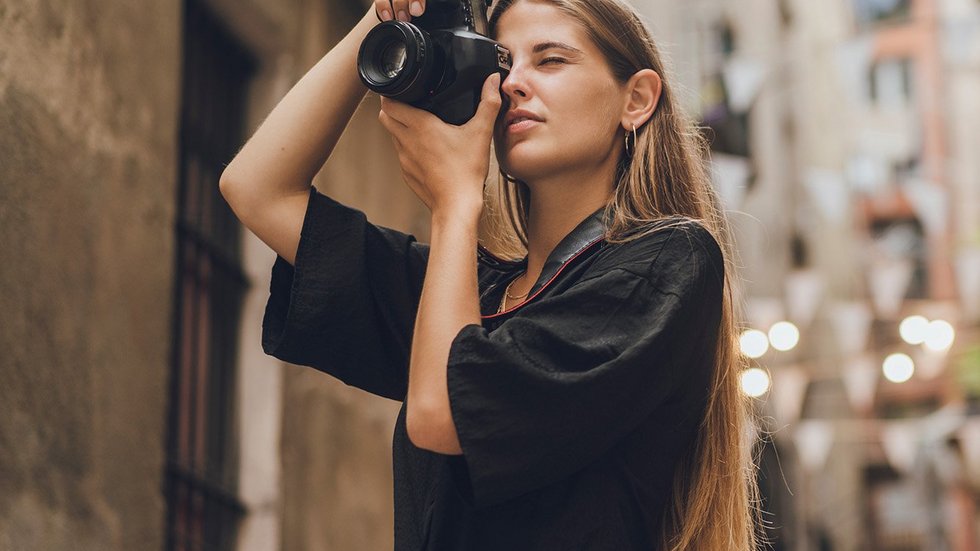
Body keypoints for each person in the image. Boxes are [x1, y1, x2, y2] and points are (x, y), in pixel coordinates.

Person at [220, 0, 763, 549]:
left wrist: (455, 202)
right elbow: (257, 189)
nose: (512, 85)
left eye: (550, 60)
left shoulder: (670, 261)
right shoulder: (467, 294)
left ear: (636, 99)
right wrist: (384, 17)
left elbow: (443, 416)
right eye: (502, 64)